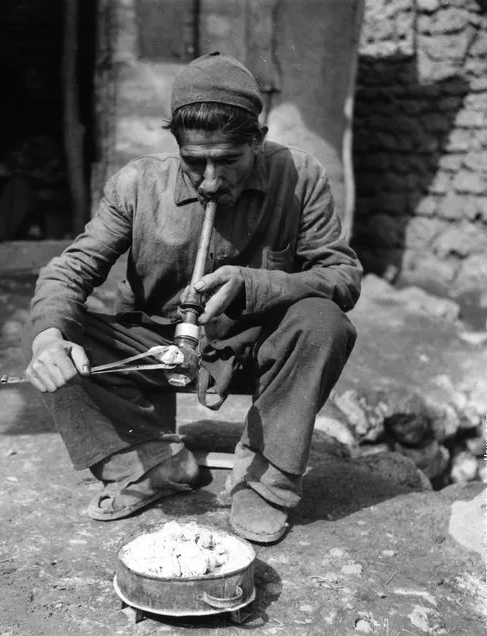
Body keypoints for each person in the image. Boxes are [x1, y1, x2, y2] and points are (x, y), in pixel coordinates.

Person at [22, 52, 362, 544]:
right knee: (52, 335)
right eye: (193, 161)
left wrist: (258, 285)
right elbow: (70, 270)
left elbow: (342, 276)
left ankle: (265, 485)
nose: (209, 180)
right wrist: (49, 338)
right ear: (175, 145)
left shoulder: (299, 176)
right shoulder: (137, 184)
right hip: (155, 349)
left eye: (228, 160)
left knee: (323, 321)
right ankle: (154, 464)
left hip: (254, 349)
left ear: (258, 141)